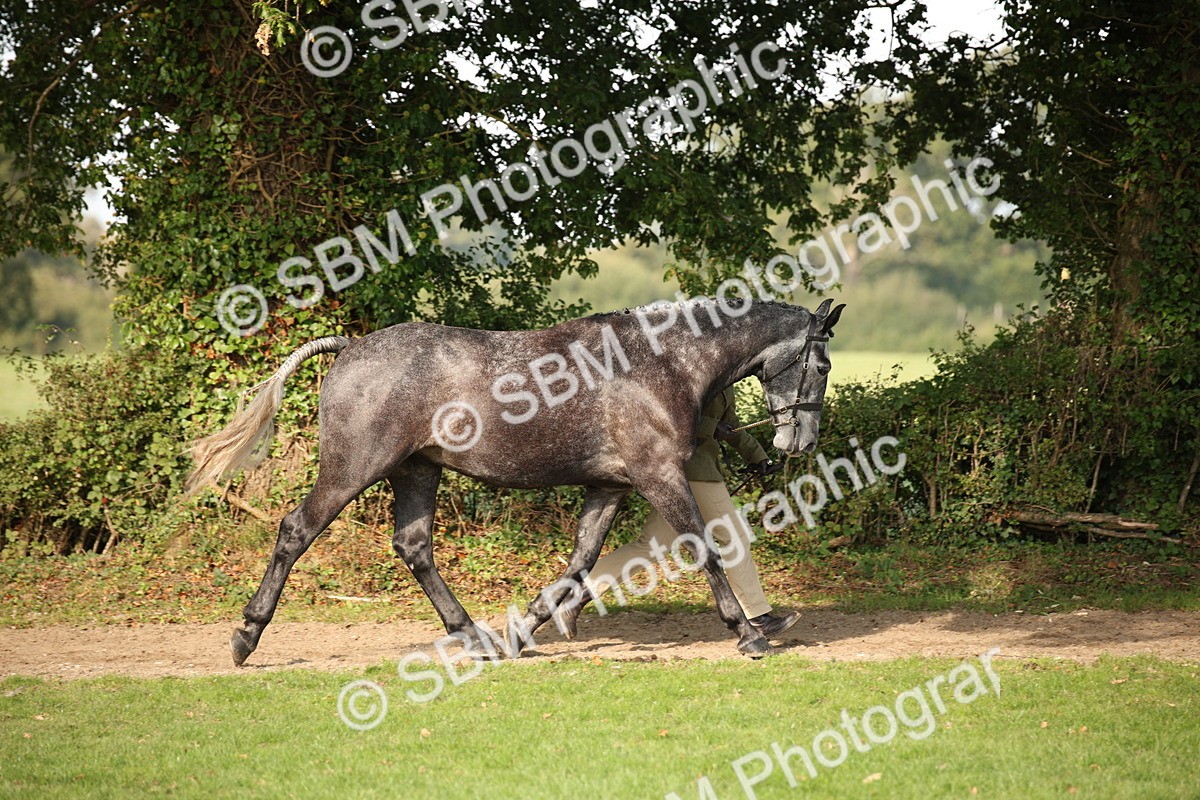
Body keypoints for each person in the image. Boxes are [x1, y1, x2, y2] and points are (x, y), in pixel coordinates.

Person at [577, 385, 800, 638]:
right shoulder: (695, 367)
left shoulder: (727, 380)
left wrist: (757, 456)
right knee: (734, 538)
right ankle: (757, 616)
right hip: (694, 470)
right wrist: (710, 428)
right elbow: (665, 412)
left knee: (650, 546)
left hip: (690, 473)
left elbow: (732, 426)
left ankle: (576, 591)